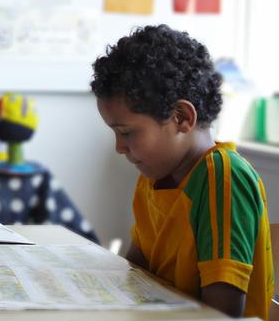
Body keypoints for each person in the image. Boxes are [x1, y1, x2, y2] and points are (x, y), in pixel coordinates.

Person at [91, 25, 272, 319]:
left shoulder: (223, 178)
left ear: (181, 117)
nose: (119, 147)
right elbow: (136, 270)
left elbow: (222, 312)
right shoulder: (153, 176)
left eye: (126, 132)